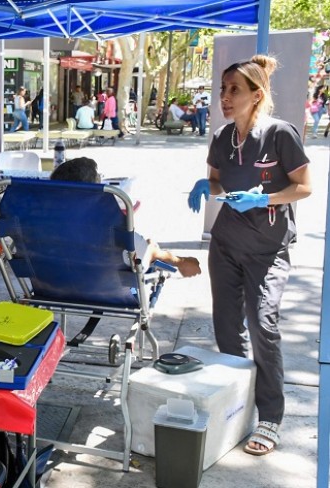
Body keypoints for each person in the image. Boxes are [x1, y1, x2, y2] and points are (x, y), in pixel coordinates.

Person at [187, 54, 312, 456]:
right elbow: (218, 181)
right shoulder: (223, 138)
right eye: (223, 89)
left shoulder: (280, 134)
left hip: (267, 247)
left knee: (262, 323)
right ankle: (236, 403)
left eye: (234, 90)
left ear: (256, 95)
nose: (225, 97)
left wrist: (267, 197)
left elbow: (305, 187)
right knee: (226, 327)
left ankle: (271, 416)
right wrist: (204, 186)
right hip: (225, 244)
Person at [52, 158, 201, 277]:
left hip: (53, 286)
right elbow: (142, 257)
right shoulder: (108, 228)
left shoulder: (44, 226)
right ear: (94, 193)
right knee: (147, 248)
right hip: (103, 288)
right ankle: (180, 261)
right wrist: (173, 259)